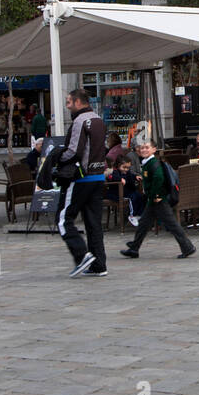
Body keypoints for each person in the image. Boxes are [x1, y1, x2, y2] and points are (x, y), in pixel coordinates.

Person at [54, 89, 109, 278]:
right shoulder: (99, 120)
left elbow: (74, 151)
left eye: (69, 102)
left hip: (81, 177)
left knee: (63, 219)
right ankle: (99, 265)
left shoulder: (80, 121)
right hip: (98, 176)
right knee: (93, 222)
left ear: (78, 102)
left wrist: (58, 158)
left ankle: (81, 255)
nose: (67, 105)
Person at [120, 140, 195, 260]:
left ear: (154, 150)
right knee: (144, 223)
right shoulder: (147, 163)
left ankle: (187, 246)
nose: (144, 150)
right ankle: (134, 248)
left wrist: (156, 195)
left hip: (158, 199)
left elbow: (159, 178)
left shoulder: (153, 163)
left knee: (172, 224)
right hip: (153, 199)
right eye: (142, 148)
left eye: (147, 148)